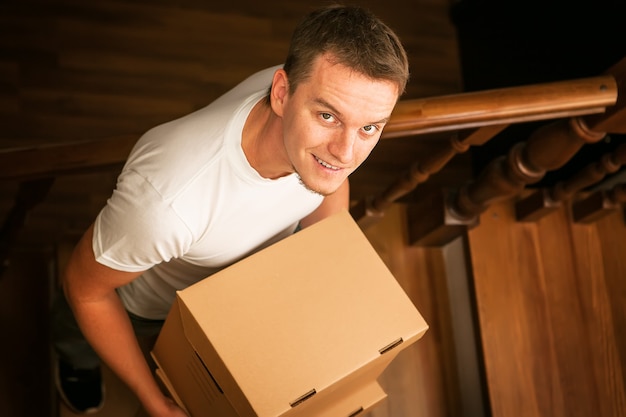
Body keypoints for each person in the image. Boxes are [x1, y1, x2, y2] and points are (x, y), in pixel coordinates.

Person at [52, 4, 409, 416]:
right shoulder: (168, 203)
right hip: (146, 307)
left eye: (370, 128)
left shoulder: (318, 97)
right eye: (328, 117)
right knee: (76, 332)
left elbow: (333, 181)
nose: (347, 153)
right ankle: (76, 359)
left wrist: (321, 268)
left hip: (231, 289)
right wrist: (153, 401)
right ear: (281, 93)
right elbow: (85, 288)